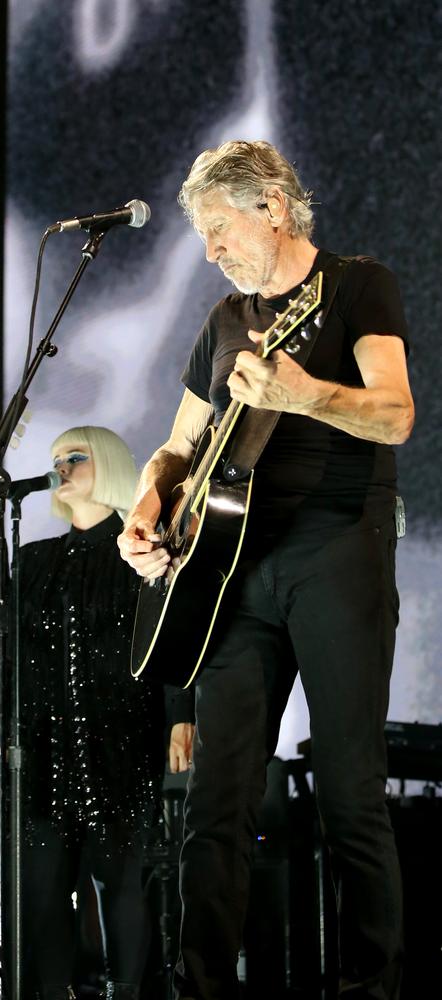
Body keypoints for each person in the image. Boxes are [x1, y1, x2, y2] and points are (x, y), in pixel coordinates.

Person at [117, 139, 415, 1000]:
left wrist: (301, 395)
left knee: (351, 791)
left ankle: (373, 987)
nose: (211, 250)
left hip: (337, 552)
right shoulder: (220, 321)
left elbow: (394, 414)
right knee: (216, 799)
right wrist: (146, 505)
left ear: (273, 207)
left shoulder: (359, 287)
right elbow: (175, 447)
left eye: (219, 228)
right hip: (233, 579)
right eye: (203, 235)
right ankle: (200, 985)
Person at [0, 425, 192, 1000]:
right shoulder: (34, 562)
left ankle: (126, 990)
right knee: (41, 889)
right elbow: (2, 658)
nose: (60, 467)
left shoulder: (143, 556)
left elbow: (172, 644)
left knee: (120, 884)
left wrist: (181, 714)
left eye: (74, 457)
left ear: (109, 464)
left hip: (120, 740)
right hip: (41, 747)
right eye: (55, 458)